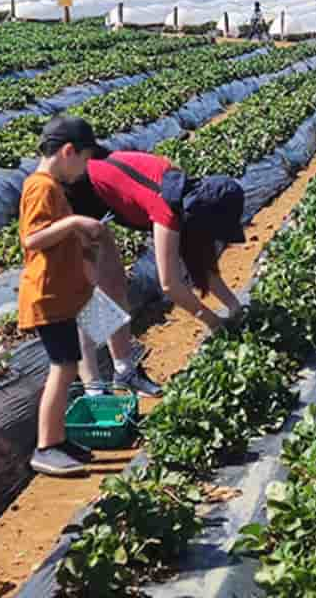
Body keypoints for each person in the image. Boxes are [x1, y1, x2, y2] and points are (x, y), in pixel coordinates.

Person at [67, 145, 246, 343]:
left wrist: (234, 306)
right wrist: (215, 323)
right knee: (104, 285)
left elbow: (203, 263)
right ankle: (91, 363)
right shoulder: (166, 209)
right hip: (77, 198)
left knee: (113, 285)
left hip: (97, 189)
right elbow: (170, 285)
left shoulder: (180, 188)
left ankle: (114, 360)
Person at [18, 117, 113, 477]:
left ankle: (58, 440)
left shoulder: (51, 187)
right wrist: (75, 224)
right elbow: (32, 239)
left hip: (61, 293)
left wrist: (80, 241)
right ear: (68, 151)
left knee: (68, 365)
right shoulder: (40, 187)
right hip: (47, 295)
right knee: (63, 367)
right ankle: (45, 447)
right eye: (86, 159)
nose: (86, 168)